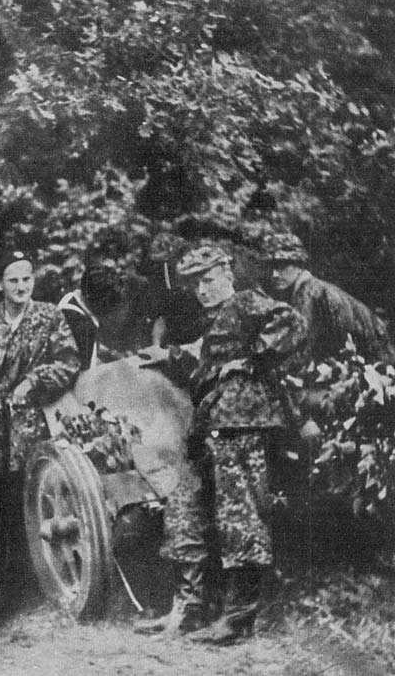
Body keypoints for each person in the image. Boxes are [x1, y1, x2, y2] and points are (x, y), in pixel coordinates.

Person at [135, 245, 307, 643]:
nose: (204, 289)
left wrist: (253, 358)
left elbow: (293, 322)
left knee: (239, 516)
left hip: (241, 423)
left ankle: (238, 620)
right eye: (196, 283)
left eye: (210, 278)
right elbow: (207, 366)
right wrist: (170, 354)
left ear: (227, 273)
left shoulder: (246, 302)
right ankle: (188, 608)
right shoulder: (216, 321)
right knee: (184, 508)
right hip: (212, 428)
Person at [0, 250, 80, 609]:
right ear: (0, 285)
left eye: (26, 279)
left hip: (31, 424)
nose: (21, 286)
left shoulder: (49, 317)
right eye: (13, 280)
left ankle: (33, 581)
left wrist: (35, 380)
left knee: (27, 497)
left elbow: (68, 362)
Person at [263, 232, 394, 363]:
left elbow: (297, 348)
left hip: (378, 358)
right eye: (271, 267)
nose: (274, 274)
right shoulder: (312, 288)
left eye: (282, 266)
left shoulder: (308, 291)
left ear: (299, 265)